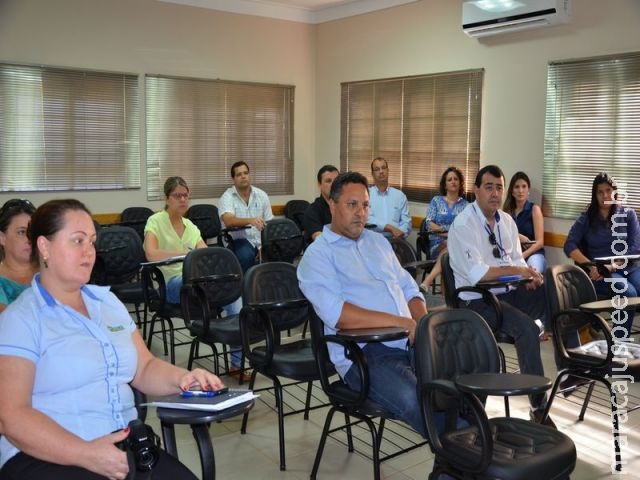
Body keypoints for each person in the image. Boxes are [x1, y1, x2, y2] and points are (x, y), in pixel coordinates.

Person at [0, 198, 225, 480]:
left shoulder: (107, 303)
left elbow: (143, 368)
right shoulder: (20, 319)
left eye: (92, 242)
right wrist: (85, 453)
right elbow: (12, 416)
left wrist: (184, 378)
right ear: (44, 246)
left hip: (124, 446)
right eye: (77, 241)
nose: (89, 252)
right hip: (47, 456)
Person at [298, 171, 435, 438]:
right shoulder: (318, 256)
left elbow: (409, 289)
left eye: (365, 205)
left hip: (411, 341)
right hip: (364, 354)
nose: (361, 212)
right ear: (332, 205)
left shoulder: (379, 243)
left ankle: (462, 463)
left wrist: (421, 323)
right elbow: (339, 316)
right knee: (418, 401)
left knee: (454, 391)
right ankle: (471, 463)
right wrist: (401, 322)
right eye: (352, 205)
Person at [447, 165, 554, 427]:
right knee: (527, 329)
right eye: (489, 187)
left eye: (499, 187)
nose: (495, 193)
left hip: (509, 292)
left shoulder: (506, 221)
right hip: (476, 299)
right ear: (476, 191)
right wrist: (517, 270)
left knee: (551, 290)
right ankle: (538, 407)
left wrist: (528, 276)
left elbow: (515, 258)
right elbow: (479, 274)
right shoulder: (464, 224)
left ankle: (571, 360)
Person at [564, 171, 640, 337]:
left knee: (635, 288)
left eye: (608, 190)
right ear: (595, 194)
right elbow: (569, 245)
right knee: (628, 293)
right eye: (600, 191)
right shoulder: (586, 218)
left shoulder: (628, 215)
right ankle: (620, 343)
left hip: (629, 268)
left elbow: (635, 248)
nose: (605, 195)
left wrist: (613, 266)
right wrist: (590, 266)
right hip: (601, 273)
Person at [143, 176, 207, 305]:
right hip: (168, 283)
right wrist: (185, 254)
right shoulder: (155, 221)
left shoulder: (190, 225)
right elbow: (151, 254)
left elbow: (205, 255)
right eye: (177, 196)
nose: (183, 199)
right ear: (167, 199)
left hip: (193, 278)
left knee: (226, 282)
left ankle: (238, 323)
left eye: (185, 195)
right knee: (200, 286)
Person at [219, 161, 274, 272]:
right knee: (246, 255)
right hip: (237, 241)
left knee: (276, 250)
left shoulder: (261, 195)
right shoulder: (227, 197)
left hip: (260, 240)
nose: (243, 176)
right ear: (233, 179)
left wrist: (262, 246)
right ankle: (245, 286)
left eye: (246, 173)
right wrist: (251, 220)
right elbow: (229, 221)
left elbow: (270, 223)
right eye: (239, 174)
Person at [420, 167, 468, 291]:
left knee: (451, 249)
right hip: (437, 243)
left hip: (458, 244)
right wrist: (448, 234)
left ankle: (428, 281)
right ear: (445, 184)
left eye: (456, 179)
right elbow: (429, 223)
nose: (453, 181)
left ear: (460, 183)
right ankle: (448, 302)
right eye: (449, 179)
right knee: (449, 247)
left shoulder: (466, 205)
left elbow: (466, 228)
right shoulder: (436, 201)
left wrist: (452, 237)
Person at [503, 171, 546, 273]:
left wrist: (522, 256)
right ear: (512, 192)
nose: (520, 190)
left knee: (531, 274)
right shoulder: (506, 212)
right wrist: (519, 236)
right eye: (517, 187)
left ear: (528, 190)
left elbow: (540, 243)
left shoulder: (534, 209)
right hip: (513, 254)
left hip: (534, 255)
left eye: (524, 186)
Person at [0, 198, 38, 312]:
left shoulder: (51, 271)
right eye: (21, 232)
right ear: (2, 238)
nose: (29, 239)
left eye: (32, 232)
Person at [367, 157, 411, 239]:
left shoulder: (400, 196)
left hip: (396, 241)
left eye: (383, 168)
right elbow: (368, 220)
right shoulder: (366, 195)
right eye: (377, 169)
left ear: (388, 171)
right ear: (372, 174)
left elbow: (407, 223)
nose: (381, 171)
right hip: (373, 241)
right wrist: (390, 228)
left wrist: (399, 234)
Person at [302, 164, 339, 244]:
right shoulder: (312, 211)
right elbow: (319, 238)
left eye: (336, 181)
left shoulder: (345, 207)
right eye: (328, 181)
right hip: (322, 253)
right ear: (319, 185)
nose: (333, 185)